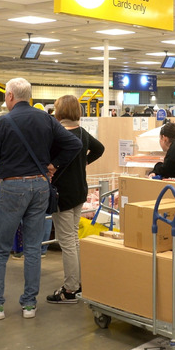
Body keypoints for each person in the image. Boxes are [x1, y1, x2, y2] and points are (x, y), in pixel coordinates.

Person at [0, 78, 81, 320]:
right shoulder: (46, 119)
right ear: (29, 96)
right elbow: (73, 144)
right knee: (33, 248)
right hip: (41, 187)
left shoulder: (3, 122)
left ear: (10, 96)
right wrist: (53, 165)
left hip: (13, 188)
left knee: (0, 249)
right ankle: (29, 305)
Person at [45, 95, 104, 303]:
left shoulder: (57, 135)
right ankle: (79, 282)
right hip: (79, 191)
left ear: (60, 111)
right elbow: (100, 149)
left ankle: (70, 289)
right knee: (74, 240)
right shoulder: (82, 133)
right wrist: (83, 163)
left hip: (63, 193)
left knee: (67, 241)